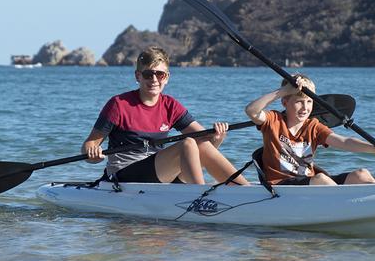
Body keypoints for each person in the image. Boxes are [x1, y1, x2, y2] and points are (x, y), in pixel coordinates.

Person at [82, 47, 249, 185]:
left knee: (201, 142)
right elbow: (88, 145)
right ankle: (200, 198)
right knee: (187, 143)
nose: (154, 79)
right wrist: (93, 153)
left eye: (160, 74)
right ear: (137, 76)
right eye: (148, 74)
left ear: (167, 78)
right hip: (125, 177)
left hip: (159, 174)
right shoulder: (118, 104)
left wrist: (218, 137)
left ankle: (244, 191)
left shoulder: (170, 105)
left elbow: (205, 143)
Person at [244, 77, 375, 186]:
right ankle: (346, 209)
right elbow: (251, 110)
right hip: (282, 186)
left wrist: (373, 148)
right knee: (321, 179)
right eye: (299, 102)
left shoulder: (313, 126)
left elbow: (344, 141)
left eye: (309, 102)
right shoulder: (273, 120)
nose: (305, 108)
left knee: (362, 174)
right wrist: (284, 91)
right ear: (285, 102)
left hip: (310, 184)